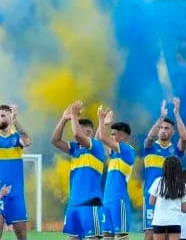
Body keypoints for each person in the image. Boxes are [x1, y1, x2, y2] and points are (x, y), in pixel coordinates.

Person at [50, 101, 106, 239]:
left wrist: (74, 115)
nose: (75, 132)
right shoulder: (75, 148)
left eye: (79, 129)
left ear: (88, 132)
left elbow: (77, 135)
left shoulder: (97, 146)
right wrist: (64, 118)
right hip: (73, 202)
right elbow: (55, 140)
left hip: (90, 202)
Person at [0, 104, 32, 240]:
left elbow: (27, 141)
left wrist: (16, 122)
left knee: (21, 234)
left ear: (11, 116)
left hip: (16, 193)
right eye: (0, 114)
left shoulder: (16, 136)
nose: (3, 117)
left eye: (6, 114)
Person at [143, 98, 186, 240]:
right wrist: (161, 117)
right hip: (151, 196)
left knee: (172, 236)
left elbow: (185, 138)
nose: (162, 131)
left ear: (172, 132)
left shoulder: (175, 150)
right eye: (161, 128)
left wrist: (177, 113)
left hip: (172, 198)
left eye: (166, 128)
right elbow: (150, 136)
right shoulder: (150, 147)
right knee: (149, 234)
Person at [96, 106, 135, 240]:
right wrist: (104, 123)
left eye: (114, 134)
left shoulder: (126, 150)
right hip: (107, 200)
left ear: (123, 136)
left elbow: (102, 137)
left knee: (121, 236)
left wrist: (101, 120)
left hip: (119, 200)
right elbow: (97, 141)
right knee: (107, 235)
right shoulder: (114, 154)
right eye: (111, 134)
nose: (111, 136)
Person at [147, 156, 186, 240]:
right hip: (175, 221)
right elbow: (185, 209)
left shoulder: (158, 181)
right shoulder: (182, 185)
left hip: (159, 221)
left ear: (165, 168)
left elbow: (151, 201)